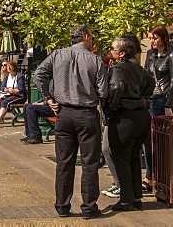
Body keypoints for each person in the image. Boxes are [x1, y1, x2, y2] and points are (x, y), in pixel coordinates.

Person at [34, 25, 108, 219]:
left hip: (64, 113)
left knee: (64, 162)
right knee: (89, 163)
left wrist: (48, 97)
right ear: (85, 37)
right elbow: (103, 91)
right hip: (87, 114)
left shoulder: (57, 55)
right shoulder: (95, 60)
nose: (92, 40)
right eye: (91, 37)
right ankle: (89, 207)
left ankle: (62, 205)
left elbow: (39, 75)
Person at [104, 35, 155, 212]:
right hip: (141, 115)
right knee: (133, 157)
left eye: (113, 49)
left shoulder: (119, 68)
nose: (110, 51)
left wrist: (111, 107)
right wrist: (142, 98)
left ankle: (126, 200)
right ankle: (135, 197)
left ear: (122, 53)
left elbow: (116, 87)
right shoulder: (138, 68)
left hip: (125, 116)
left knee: (121, 158)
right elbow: (151, 82)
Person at [142, 25, 173, 193]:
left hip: (161, 100)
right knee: (147, 141)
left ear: (163, 38)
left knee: (158, 141)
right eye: (150, 38)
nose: (152, 42)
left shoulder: (171, 55)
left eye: (155, 38)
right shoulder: (150, 55)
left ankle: (157, 176)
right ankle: (149, 175)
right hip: (149, 100)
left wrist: (168, 104)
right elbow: (145, 76)